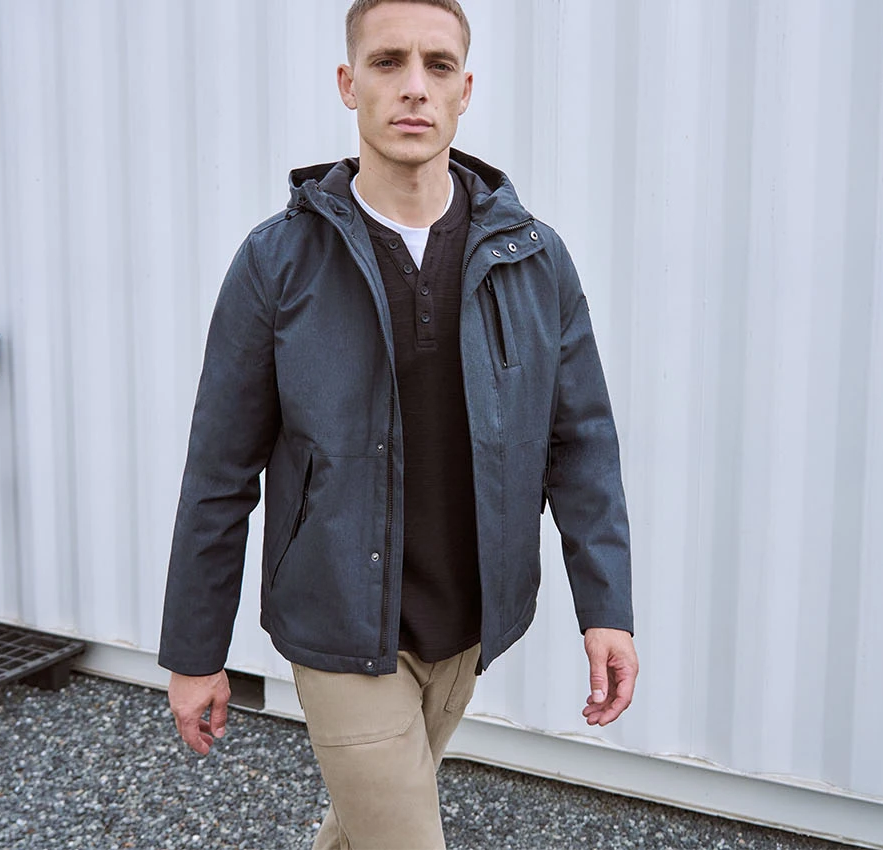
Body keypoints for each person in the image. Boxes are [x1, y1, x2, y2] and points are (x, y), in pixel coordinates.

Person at [158, 0, 637, 845]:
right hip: (338, 624)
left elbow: (581, 444)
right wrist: (195, 651)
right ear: (349, 84)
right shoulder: (277, 261)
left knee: (367, 829)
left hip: (469, 623)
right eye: (388, 62)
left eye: (437, 65)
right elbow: (219, 470)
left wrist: (607, 608)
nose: (414, 87)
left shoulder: (534, 258)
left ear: (465, 90)